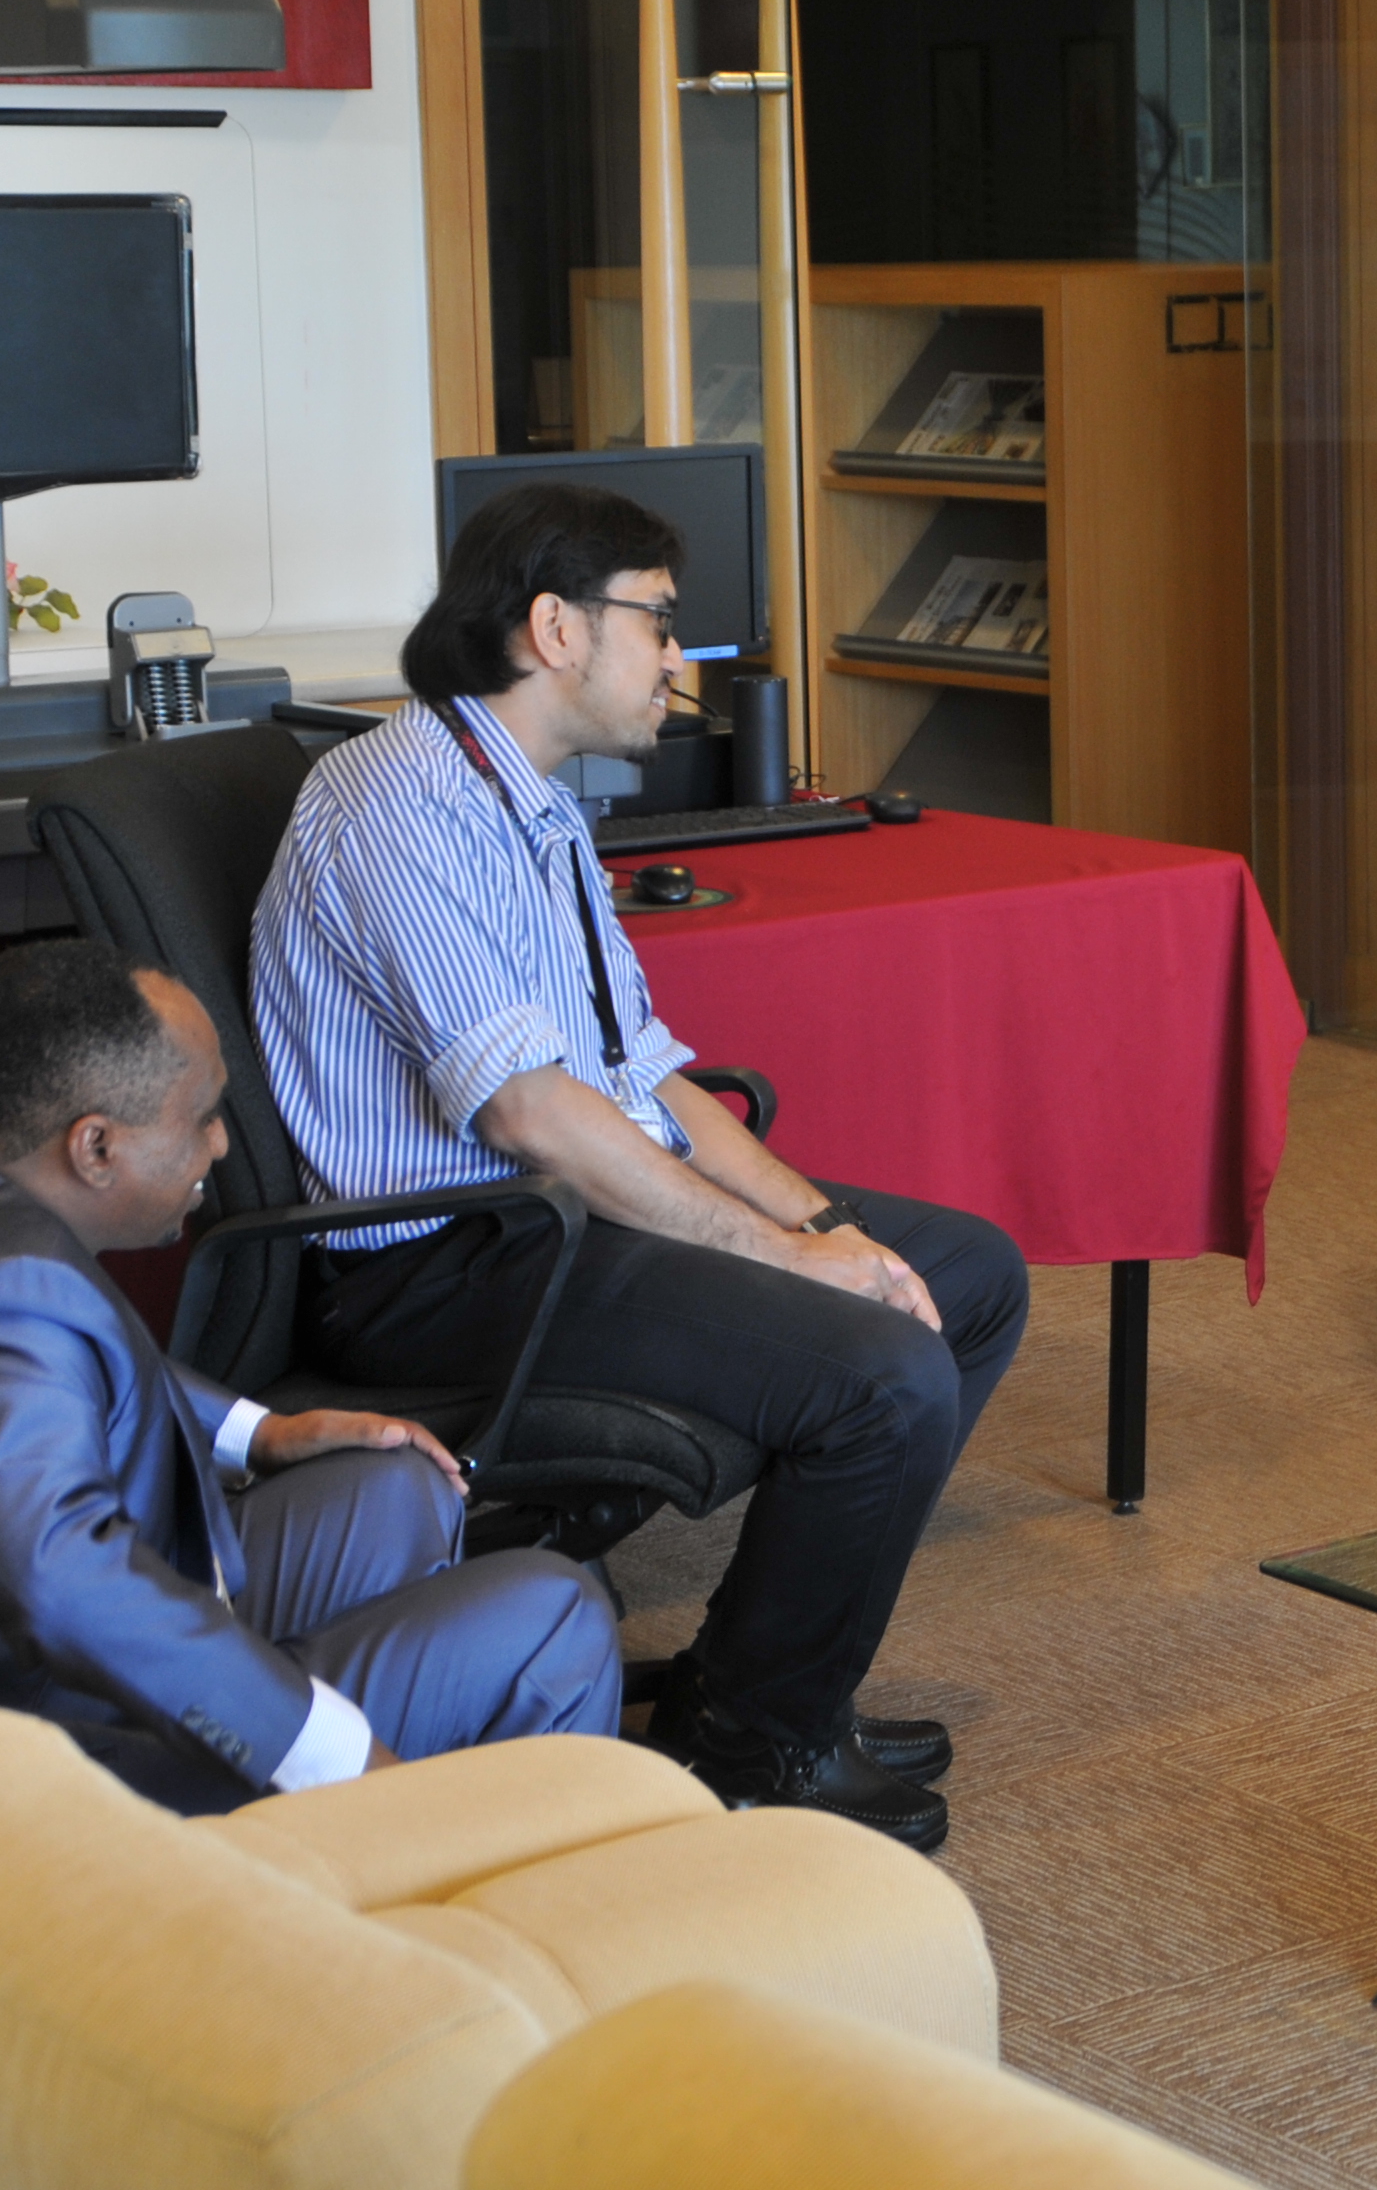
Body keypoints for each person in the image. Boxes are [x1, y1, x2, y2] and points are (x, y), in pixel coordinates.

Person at [250, 483, 1027, 1853]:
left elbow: (647, 1078)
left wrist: (825, 1223)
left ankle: (751, 1685)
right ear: (555, 628)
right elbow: (531, 1116)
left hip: (555, 1218)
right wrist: (793, 1263)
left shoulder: (536, 808)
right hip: (440, 1261)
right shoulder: (397, 802)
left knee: (962, 1276)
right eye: (660, 623)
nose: (681, 657)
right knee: (882, 1370)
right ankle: (755, 1751)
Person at [0, 941, 622, 1850]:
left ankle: (358, 1837)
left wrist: (263, 1432)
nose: (221, 1144)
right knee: (557, 1618)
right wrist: (335, 1756)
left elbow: (45, 1367)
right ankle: (481, 1902)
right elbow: (66, 1583)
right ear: (96, 1147)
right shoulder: (5, 1305)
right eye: (201, 1118)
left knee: (397, 1488)